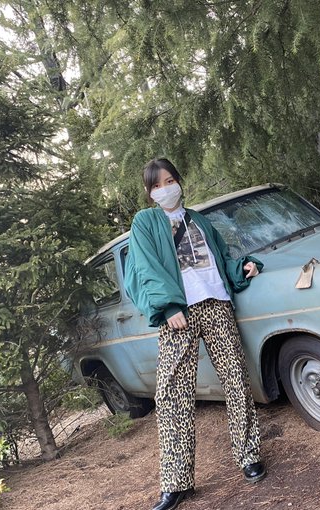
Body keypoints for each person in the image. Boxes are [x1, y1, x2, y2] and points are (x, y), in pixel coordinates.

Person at [124, 158, 266, 510]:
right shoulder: (145, 222)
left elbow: (220, 259)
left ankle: (248, 455)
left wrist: (242, 268)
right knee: (172, 395)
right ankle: (176, 482)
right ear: (149, 192)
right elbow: (145, 268)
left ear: (179, 182)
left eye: (169, 181)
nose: (165, 189)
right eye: (157, 185)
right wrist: (168, 306)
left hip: (217, 304)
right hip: (178, 313)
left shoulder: (199, 220)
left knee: (236, 380)